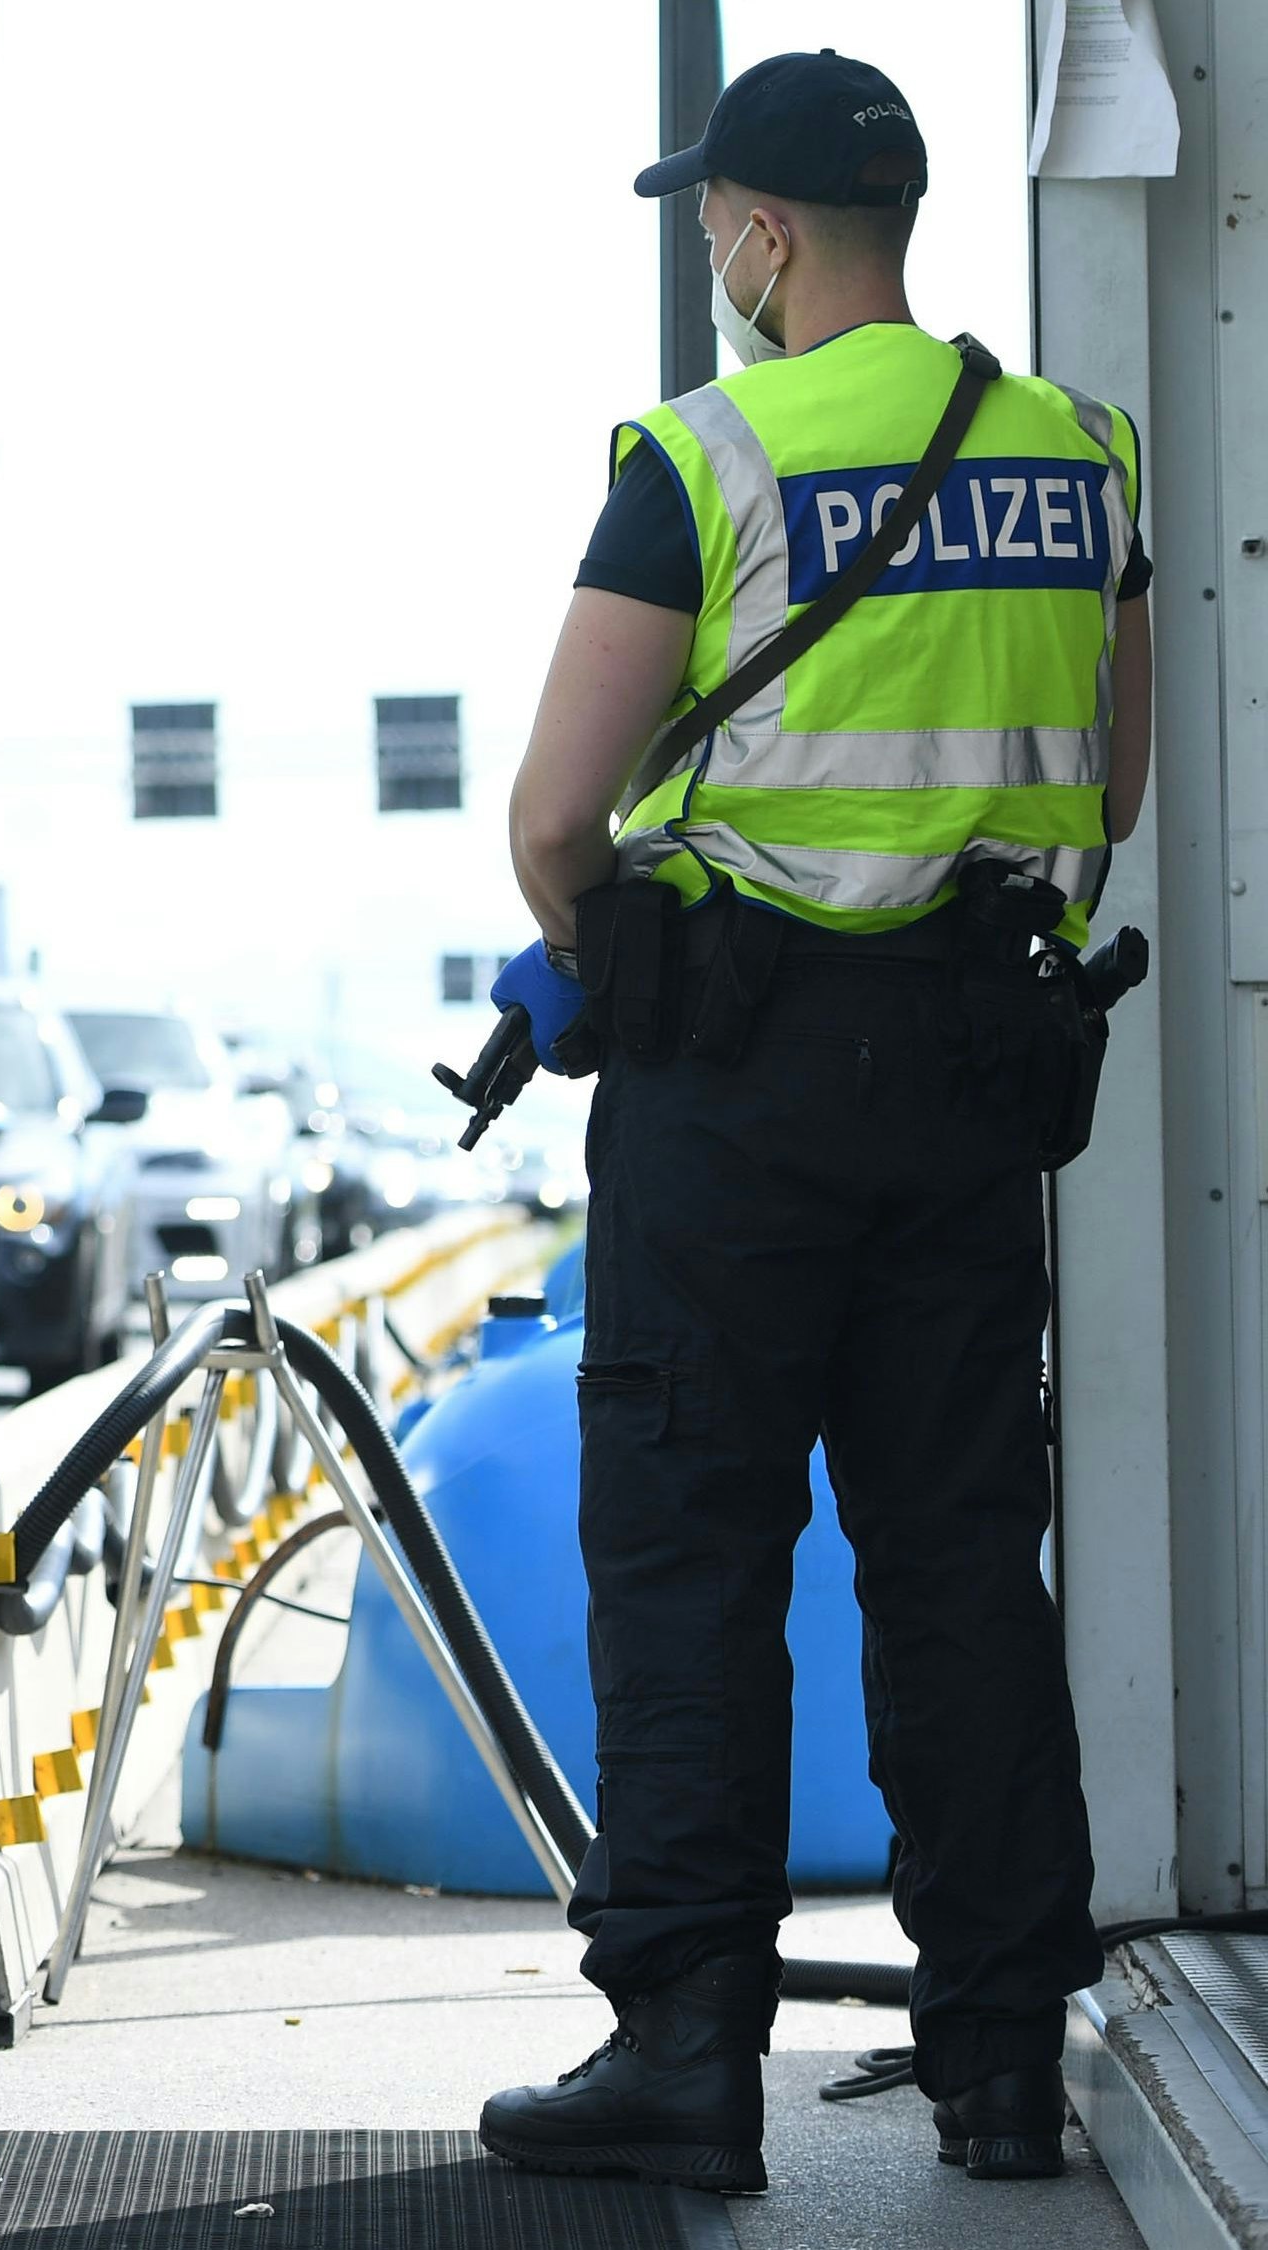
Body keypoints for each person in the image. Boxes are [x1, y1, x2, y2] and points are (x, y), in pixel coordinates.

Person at [475, 51, 1149, 2197]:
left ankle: (682, 2050)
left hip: (735, 1097)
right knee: (958, 1561)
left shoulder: (706, 454)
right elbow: (1101, 795)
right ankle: (998, 2064)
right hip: (968, 1081)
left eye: (709, 229)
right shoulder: (1079, 454)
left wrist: (610, 948)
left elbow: (556, 816)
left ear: (758, 237)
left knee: (686, 1557)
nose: (711, 260)